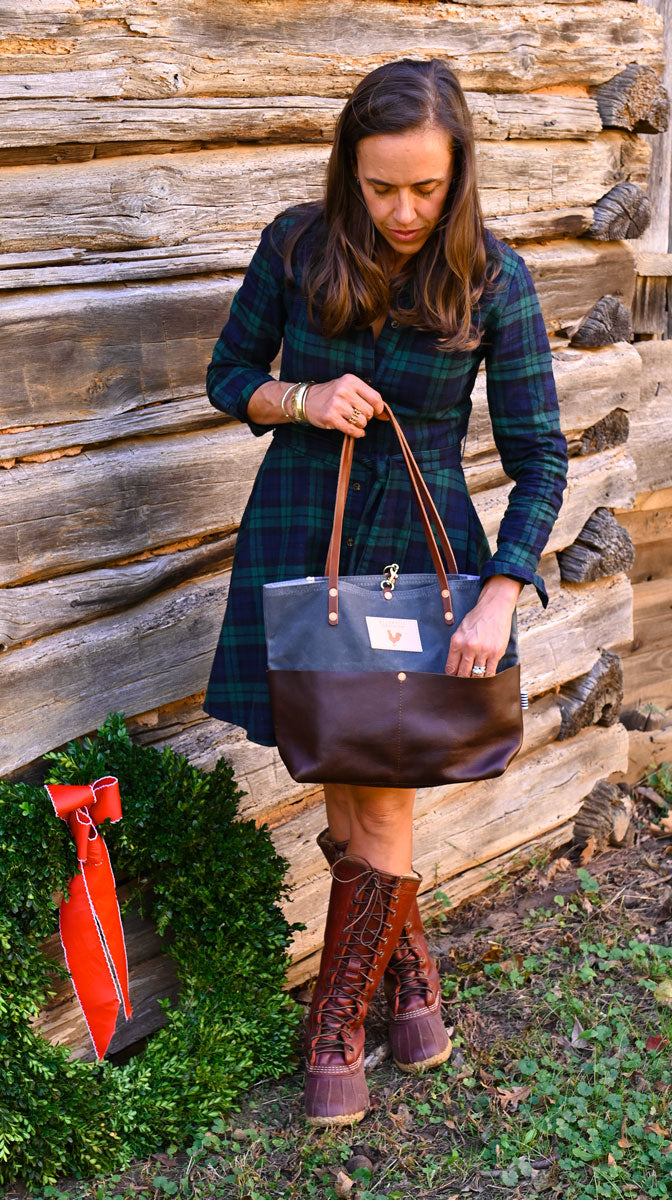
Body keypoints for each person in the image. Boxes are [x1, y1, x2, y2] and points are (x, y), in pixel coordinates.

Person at [202, 58, 568, 1126]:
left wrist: (501, 588)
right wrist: (302, 396)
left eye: (425, 189)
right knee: (333, 753)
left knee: (384, 775)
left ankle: (336, 1023)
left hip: (420, 545)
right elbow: (229, 379)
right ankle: (409, 991)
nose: (403, 211)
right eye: (379, 187)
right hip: (297, 527)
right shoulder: (293, 244)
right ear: (345, 171)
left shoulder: (495, 278)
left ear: (458, 177)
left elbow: (540, 454)